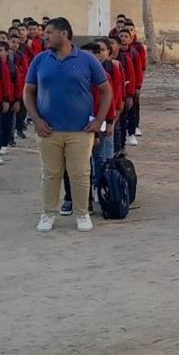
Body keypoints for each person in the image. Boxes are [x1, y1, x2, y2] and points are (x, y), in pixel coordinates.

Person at [25, 17, 112, 233]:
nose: (44, 36)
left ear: (64, 34)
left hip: (80, 131)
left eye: (49, 32)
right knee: (50, 173)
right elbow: (28, 92)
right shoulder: (40, 60)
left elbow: (106, 90)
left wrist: (99, 120)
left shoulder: (86, 59)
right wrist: (36, 119)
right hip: (48, 130)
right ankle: (48, 213)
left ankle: (81, 213)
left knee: (80, 173)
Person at [61, 40, 123, 216]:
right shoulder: (72, 74)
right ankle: (72, 198)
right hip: (74, 125)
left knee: (97, 158)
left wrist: (109, 122)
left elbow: (109, 100)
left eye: (91, 55)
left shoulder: (104, 76)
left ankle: (98, 190)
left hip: (96, 123)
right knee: (73, 163)